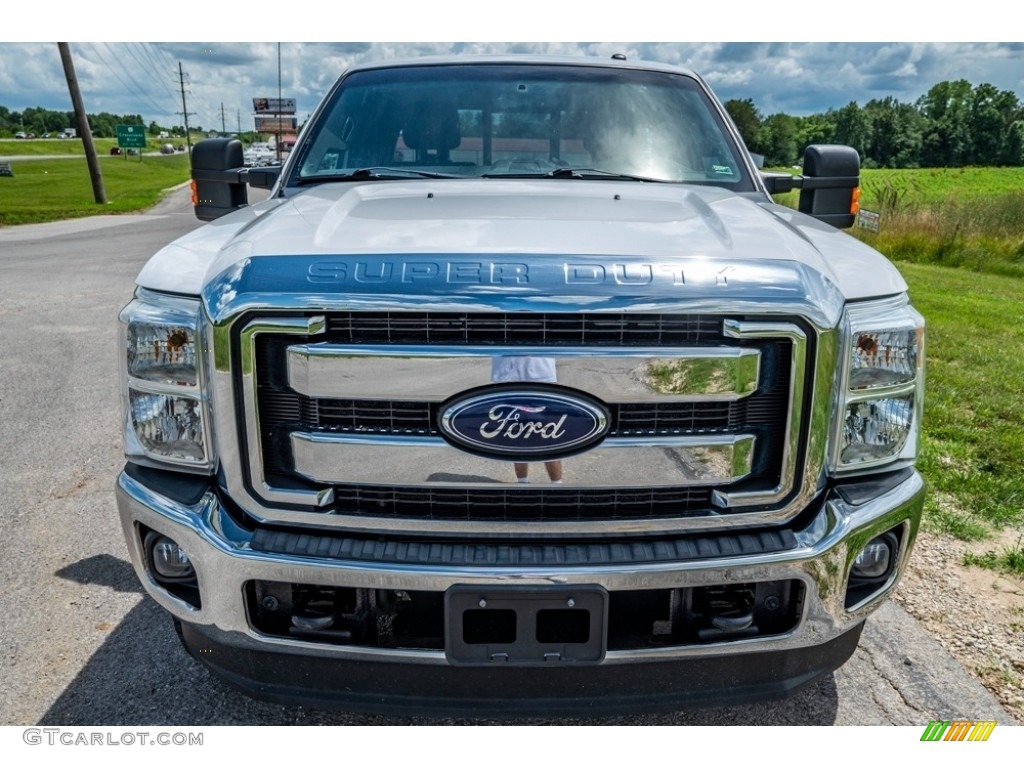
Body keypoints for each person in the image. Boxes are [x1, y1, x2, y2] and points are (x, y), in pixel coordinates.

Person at [489, 356, 563, 484]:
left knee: (548, 435)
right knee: (516, 435)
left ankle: (557, 485)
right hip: (507, 378)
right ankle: (523, 483)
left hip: (539, 377)